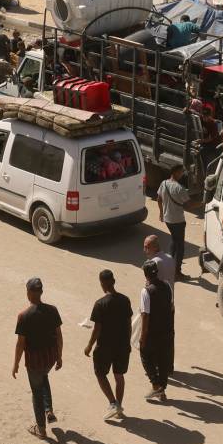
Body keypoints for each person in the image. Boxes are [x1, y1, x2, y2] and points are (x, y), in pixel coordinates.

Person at [12, 277, 63, 440]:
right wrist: (59, 356)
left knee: (36, 391)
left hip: (34, 361)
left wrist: (16, 364)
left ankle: (41, 429)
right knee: (44, 377)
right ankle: (49, 410)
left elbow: (21, 344)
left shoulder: (24, 316)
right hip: (50, 357)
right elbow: (59, 336)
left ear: (28, 293)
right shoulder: (53, 310)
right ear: (41, 292)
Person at [84, 268, 133, 421]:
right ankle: (118, 405)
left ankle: (113, 403)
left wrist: (89, 345)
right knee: (119, 375)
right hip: (122, 345)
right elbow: (128, 324)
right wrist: (127, 342)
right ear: (114, 281)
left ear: (102, 284)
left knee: (100, 374)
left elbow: (97, 328)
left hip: (105, 346)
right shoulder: (125, 300)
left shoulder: (100, 304)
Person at [137, 259, 175, 403]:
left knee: (145, 356)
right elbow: (171, 308)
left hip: (153, 333)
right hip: (166, 330)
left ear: (146, 275)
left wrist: (142, 337)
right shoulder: (167, 286)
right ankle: (162, 390)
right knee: (163, 360)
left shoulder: (146, 291)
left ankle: (155, 385)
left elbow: (145, 315)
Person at [157, 164, 190, 273]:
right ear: (175, 172)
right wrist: (203, 203)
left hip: (168, 220)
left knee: (174, 241)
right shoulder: (179, 188)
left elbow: (159, 199)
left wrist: (161, 213)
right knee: (180, 246)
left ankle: (168, 266)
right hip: (178, 221)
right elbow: (188, 205)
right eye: (181, 172)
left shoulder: (164, 183)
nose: (182, 174)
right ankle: (177, 272)